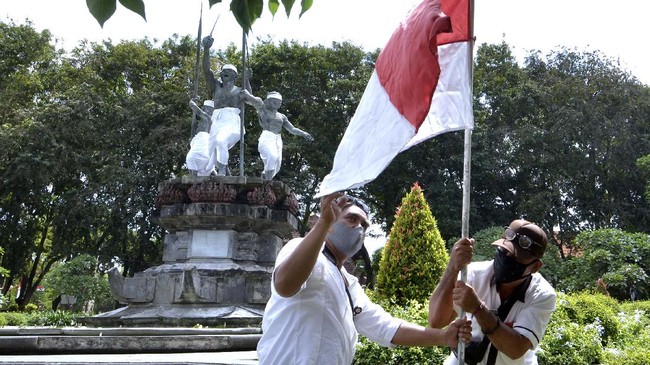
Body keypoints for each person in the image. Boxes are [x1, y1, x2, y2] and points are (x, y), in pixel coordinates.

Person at [257, 193, 472, 365]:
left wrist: (443, 337)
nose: (359, 227)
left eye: (365, 225)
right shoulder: (300, 249)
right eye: (351, 219)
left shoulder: (349, 284)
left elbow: (386, 327)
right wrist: (322, 224)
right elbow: (285, 286)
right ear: (331, 221)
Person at [428, 220, 556, 365]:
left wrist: (478, 308)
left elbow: (515, 349)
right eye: (504, 250)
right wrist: (453, 267)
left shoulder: (542, 294)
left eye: (516, 257)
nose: (507, 258)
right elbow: (436, 321)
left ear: (536, 267)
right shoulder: (472, 274)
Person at [202, 36, 251, 175]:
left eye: (228, 72)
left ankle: (222, 169)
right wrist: (206, 50)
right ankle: (213, 172)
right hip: (216, 121)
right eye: (223, 71)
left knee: (221, 140)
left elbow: (250, 99)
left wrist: (247, 80)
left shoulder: (239, 91)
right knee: (208, 152)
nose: (224, 73)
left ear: (235, 76)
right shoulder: (217, 87)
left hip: (231, 122)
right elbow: (206, 71)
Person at [240, 90, 313, 180]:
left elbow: (292, 129)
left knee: (277, 164)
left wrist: (303, 133)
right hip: (267, 137)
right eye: (275, 101)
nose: (277, 103)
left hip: (277, 139)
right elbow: (254, 100)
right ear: (269, 101)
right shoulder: (263, 109)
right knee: (272, 156)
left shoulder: (282, 116)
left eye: (279, 102)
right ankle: (267, 181)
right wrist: (247, 94)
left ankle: (265, 177)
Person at [186, 99, 214, 176]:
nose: (204, 110)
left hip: (202, 141)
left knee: (191, 158)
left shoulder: (207, 118)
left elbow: (195, 108)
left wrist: (191, 101)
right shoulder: (210, 121)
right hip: (203, 145)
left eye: (206, 108)